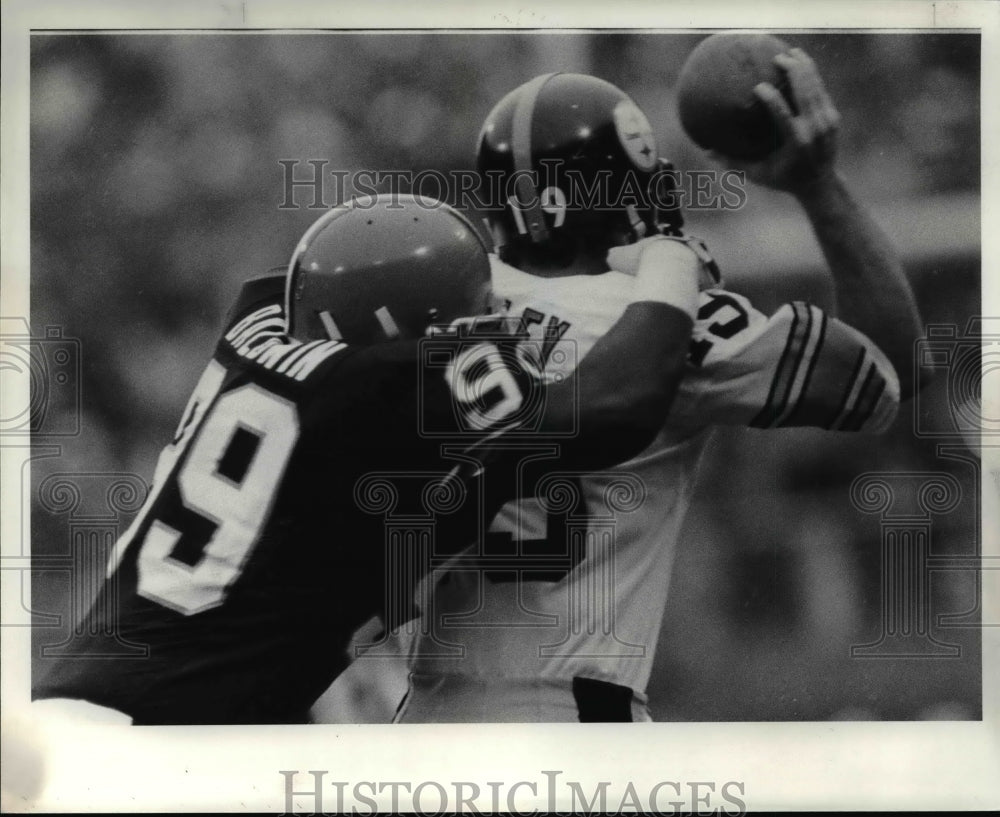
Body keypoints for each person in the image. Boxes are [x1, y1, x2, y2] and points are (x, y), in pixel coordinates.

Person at [386, 53, 927, 722]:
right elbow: (894, 373)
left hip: (418, 720)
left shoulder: (426, 306)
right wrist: (819, 185)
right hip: (574, 719)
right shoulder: (665, 321)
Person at [31, 193, 704, 725]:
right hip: (161, 745)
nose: (505, 327)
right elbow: (618, 405)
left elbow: (325, 281)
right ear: (407, 340)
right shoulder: (382, 385)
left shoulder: (263, 321)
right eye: (480, 319)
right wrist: (671, 265)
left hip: (96, 718)